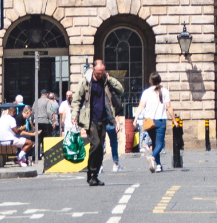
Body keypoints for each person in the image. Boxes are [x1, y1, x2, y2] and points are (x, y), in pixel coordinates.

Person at [70, 58, 126, 187]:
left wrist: (109, 78)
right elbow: (77, 99)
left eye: (102, 72)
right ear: (93, 69)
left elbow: (121, 90)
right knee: (96, 144)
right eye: (98, 72)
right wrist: (74, 115)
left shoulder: (105, 81)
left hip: (104, 118)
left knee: (100, 147)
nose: (100, 74)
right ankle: (92, 173)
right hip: (91, 119)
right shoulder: (86, 81)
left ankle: (93, 175)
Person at [136, 73, 172, 173]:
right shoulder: (164, 91)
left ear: (150, 81)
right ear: (159, 80)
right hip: (160, 120)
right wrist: (173, 119)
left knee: (155, 143)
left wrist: (135, 119)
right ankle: (152, 157)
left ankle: (159, 165)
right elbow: (168, 106)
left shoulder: (146, 92)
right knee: (160, 144)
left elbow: (141, 106)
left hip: (149, 121)